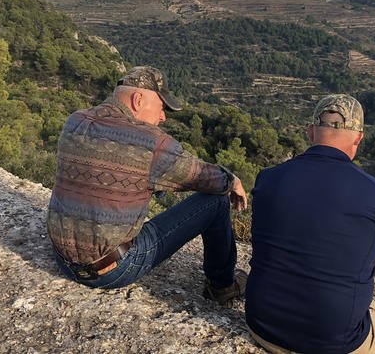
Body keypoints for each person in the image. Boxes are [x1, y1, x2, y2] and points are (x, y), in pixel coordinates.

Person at [245, 94, 375, 353]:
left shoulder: (268, 179)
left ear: (311, 132)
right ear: (359, 137)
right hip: (335, 344)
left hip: (261, 328)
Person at [47, 65, 248, 305]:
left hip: (63, 260)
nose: (163, 117)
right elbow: (202, 176)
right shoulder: (150, 142)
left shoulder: (75, 121)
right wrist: (232, 180)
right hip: (113, 270)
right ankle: (222, 286)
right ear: (138, 99)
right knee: (215, 202)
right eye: (162, 107)